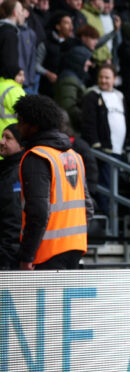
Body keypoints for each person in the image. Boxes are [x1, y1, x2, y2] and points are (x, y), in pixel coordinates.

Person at [15, 94, 93, 270]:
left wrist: (27, 255)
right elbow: (88, 207)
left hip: (46, 253)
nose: (18, 127)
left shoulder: (37, 157)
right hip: (75, 247)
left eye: (21, 122)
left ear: (34, 125)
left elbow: (38, 212)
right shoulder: (74, 156)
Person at [0, 124, 25, 268]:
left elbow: (13, 220)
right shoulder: (7, 170)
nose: (2, 141)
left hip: (9, 256)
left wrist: (6, 259)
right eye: (2, 136)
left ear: (21, 146)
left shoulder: (17, 173)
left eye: (8, 138)